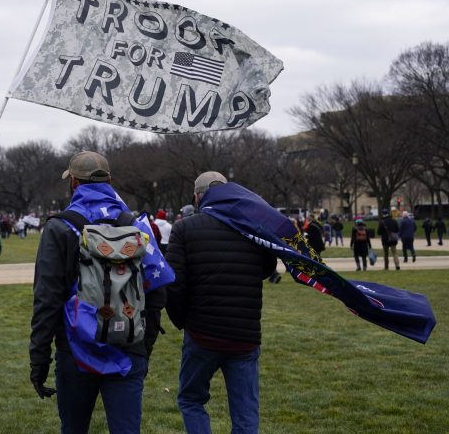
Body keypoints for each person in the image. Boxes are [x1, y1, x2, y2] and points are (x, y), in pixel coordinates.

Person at [29, 151, 168, 434]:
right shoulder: (137, 225)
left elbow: (47, 299)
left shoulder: (59, 227)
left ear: (74, 184)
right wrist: (144, 347)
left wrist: (39, 360)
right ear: (110, 181)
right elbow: (157, 291)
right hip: (128, 347)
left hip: (75, 348)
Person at [165, 171, 277, 434]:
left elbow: (174, 283)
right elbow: (265, 269)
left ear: (196, 197)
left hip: (202, 332)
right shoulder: (250, 227)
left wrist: (182, 321)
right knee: (246, 412)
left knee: (191, 399)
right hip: (244, 334)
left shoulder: (184, 228)